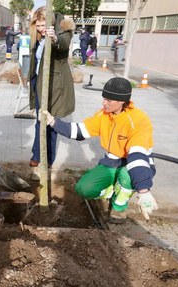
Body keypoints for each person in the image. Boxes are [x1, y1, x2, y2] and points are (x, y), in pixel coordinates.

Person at [43, 77, 158, 221]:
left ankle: (118, 207)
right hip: (111, 162)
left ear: (122, 101)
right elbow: (80, 130)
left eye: (109, 100)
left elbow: (137, 157)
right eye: (104, 98)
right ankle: (113, 190)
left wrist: (144, 191)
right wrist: (53, 122)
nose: (104, 103)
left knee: (127, 177)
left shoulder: (138, 121)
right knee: (83, 189)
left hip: (132, 164)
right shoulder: (104, 115)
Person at [28, 6, 75, 168]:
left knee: (51, 122)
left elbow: (63, 43)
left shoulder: (63, 28)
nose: (40, 29)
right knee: (39, 120)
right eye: (38, 25)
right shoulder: (38, 37)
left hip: (54, 84)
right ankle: (36, 154)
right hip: (38, 83)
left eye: (43, 25)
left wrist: (54, 38)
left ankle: (48, 158)